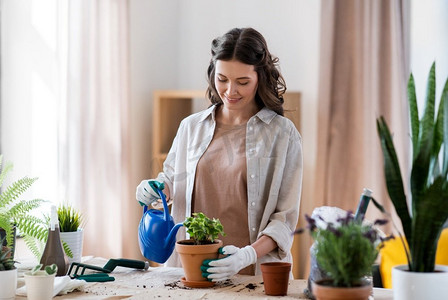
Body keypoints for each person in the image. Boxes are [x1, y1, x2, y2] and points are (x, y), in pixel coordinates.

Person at [136, 27, 303, 281]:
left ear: (260, 77)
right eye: (222, 79)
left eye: (243, 82)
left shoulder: (283, 135)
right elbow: (171, 182)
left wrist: (246, 256)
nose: (230, 91)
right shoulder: (191, 127)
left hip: (252, 275)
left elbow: (284, 219)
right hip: (188, 272)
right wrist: (155, 189)